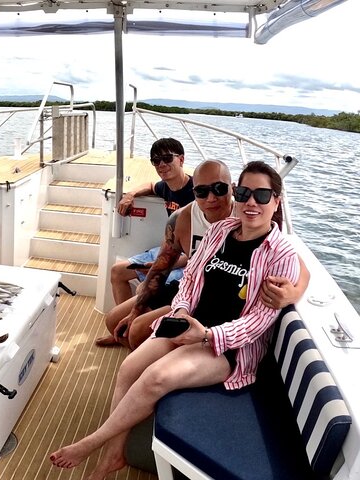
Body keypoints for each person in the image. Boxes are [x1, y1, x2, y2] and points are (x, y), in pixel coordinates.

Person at [50, 161, 301, 479]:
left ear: (276, 201)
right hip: (187, 322)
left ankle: (91, 444)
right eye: (244, 192)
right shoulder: (220, 232)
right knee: (128, 368)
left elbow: (259, 323)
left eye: (262, 195)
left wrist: (206, 335)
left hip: (226, 347)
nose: (251, 202)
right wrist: (180, 312)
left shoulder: (280, 254)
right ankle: (114, 456)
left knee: (154, 377)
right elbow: (191, 281)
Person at [96, 159, 309, 350]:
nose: (211, 198)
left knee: (138, 330)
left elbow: (295, 262)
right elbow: (162, 268)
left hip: (213, 298)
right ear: (193, 191)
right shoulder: (181, 219)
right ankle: (132, 345)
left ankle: (143, 354)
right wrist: (136, 310)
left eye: (219, 188)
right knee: (113, 320)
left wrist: (294, 293)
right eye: (202, 191)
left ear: (232, 189)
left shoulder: (248, 214)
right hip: (186, 287)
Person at [110, 138, 194, 305]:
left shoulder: (198, 193)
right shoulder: (165, 187)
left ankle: (136, 328)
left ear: (181, 159)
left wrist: (160, 266)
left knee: (146, 287)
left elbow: (199, 250)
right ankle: (121, 326)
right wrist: (130, 195)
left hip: (189, 260)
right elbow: (150, 185)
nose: (161, 164)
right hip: (169, 251)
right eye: (156, 161)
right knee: (117, 272)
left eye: (167, 158)